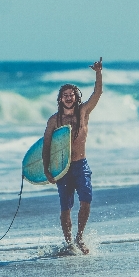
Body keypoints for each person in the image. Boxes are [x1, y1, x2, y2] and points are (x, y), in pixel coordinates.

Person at [43, 57, 103, 254]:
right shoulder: (54, 120)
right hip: (63, 168)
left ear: (76, 97)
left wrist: (98, 73)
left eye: (71, 95)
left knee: (86, 200)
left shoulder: (84, 112)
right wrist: (47, 170)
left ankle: (79, 237)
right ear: (60, 99)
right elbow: (46, 146)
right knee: (65, 208)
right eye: (65, 95)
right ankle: (69, 242)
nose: (68, 97)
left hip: (81, 165)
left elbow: (97, 93)